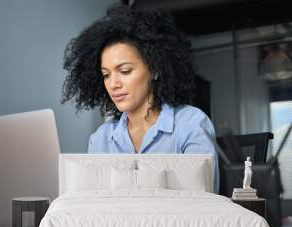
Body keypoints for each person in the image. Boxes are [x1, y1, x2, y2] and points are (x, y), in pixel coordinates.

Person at [61, 6, 219, 193]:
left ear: (155, 69)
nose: (113, 84)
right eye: (106, 75)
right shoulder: (101, 139)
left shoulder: (190, 125)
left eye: (125, 71)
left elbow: (204, 202)